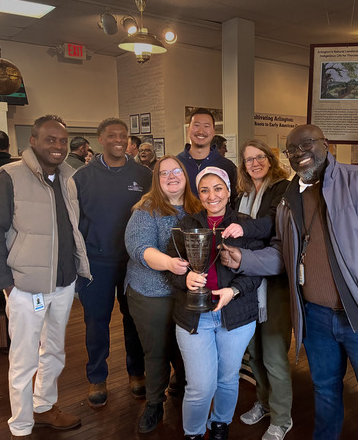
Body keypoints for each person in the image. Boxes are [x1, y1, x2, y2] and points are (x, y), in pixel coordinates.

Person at [220, 124, 358, 440]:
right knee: (325, 393)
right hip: (315, 318)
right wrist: (244, 260)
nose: (299, 154)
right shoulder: (289, 199)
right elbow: (282, 253)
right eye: (292, 150)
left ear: (326, 144)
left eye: (306, 145)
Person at [0, 115, 91, 438]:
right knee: (24, 360)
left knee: (54, 351)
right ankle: (22, 425)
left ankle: (43, 407)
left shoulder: (69, 176)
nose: (57, 146)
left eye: (62, 141)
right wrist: (8, 287)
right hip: (26, 289)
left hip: (63, 284)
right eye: (50, 140)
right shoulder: (9, 176)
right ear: (33, 141)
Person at [167, 167, 263, 440]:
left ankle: (220, 424)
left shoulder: (245, 224)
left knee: (227, 378)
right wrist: (185, 279)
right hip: (194, 316)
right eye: (205, 190)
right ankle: (194, 433)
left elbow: (256, 273)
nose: (212, 195)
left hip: (235, 316)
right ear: (199, 194)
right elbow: (169, 269)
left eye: (218, 188)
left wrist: (233, 290)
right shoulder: (187, 225)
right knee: (199, 386)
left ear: (229, 191)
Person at [73, 118, 152, 409]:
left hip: (135, 262)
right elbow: (73, 222)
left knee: (134, 320)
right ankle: (97, 376)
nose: (118, 140)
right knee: (96, 322)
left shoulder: (144, 175)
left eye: (123, 135)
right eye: (111, 135)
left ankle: (136, 372)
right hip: (96, 263)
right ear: (100, 140)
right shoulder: (82, 177)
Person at [220, 139, 293, 440]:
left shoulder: (282, 188)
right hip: (247, 280)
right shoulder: (243, 194)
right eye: (248, 159)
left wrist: (243, 230)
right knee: (254, 351)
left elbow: (272, 223)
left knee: (274, 354)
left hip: (274, 279)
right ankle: (262, 402)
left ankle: (282, 417)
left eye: (260, 157)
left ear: (270, 159)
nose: (255, 163)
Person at [125, 156, 202, 433]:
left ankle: (183, 388)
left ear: (186, 175)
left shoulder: (198, 206)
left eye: (176, 171)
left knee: (187, 348)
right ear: (156, 180)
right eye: (163, 173)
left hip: (187, 293)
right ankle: (155, 403)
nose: (171, 177)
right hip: (150, 293)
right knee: (156, 351)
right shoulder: (147, 209)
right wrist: (169, 263)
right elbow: (138, 247)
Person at [177, 108, 238, 203]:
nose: (201, 131)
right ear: (188, 129)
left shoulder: (227, 166)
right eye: (196, 125)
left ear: (213, 131)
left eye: (206, 126)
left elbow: (234, 202)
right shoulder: (176, 164)